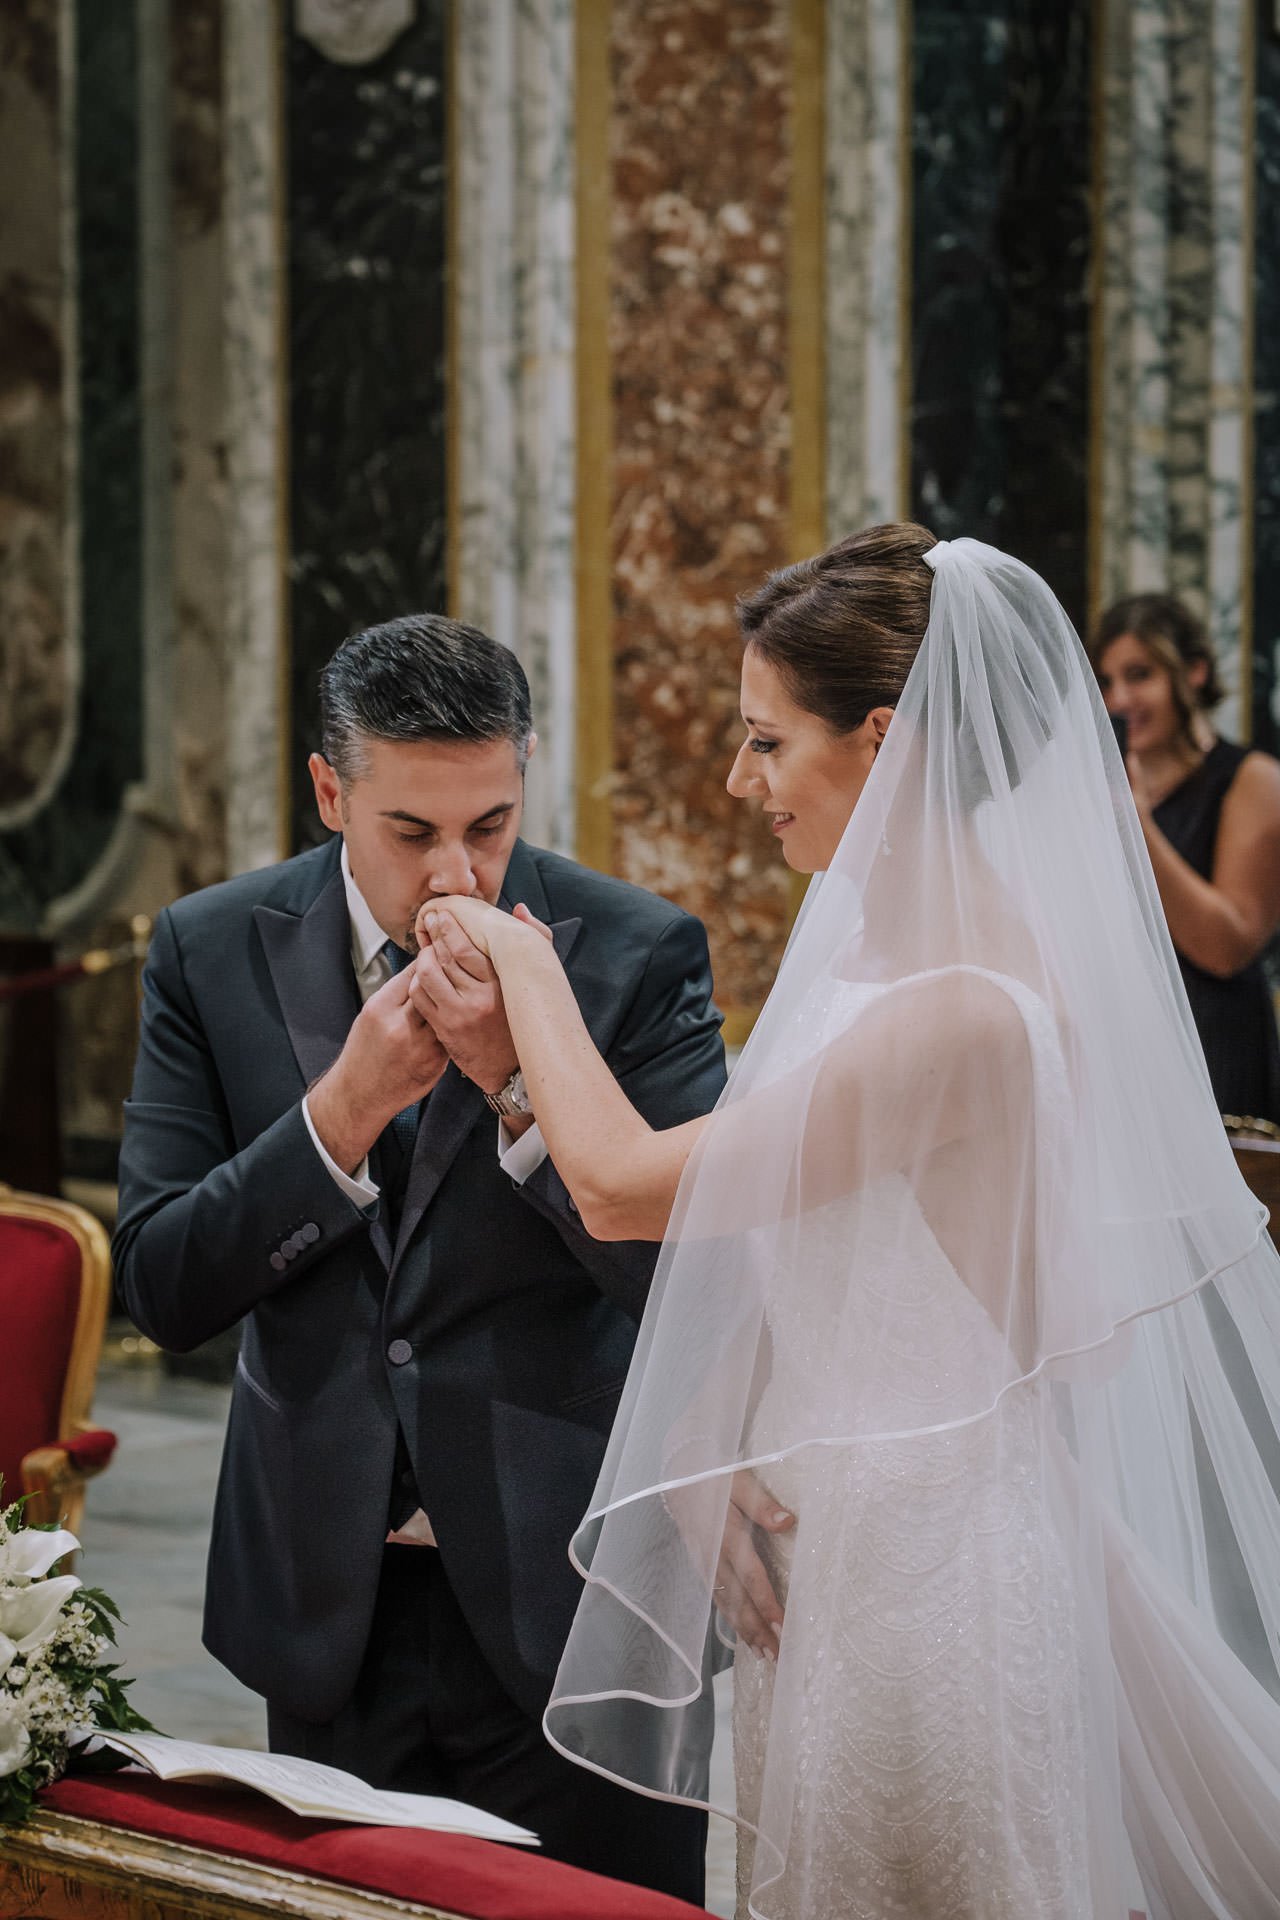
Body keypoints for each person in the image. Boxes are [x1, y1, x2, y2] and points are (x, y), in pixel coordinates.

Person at [420, 529, 1280, 1919]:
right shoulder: (875, 947)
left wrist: (522, 960)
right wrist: (710, 1427)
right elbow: (847, 1250)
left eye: (767, 742)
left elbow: (623, 1184)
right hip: (826, 1557)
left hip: (933, 1585)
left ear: (882, 740)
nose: (737, 779)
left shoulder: (964, 1010)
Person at [111, 615, 726, 1902]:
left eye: (489, 825)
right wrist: (339, 1113)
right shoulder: (209, 947)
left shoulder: (635, 951)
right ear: (331, 791)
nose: (458, 874)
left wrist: (516, 1089)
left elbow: (697, 1289)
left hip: (573, 1602)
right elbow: (162, 1287)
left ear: (525, 772)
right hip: (328, 1601)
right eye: (412, 831)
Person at [1091, 592, 1280, 1124]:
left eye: (1140, 674)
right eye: (1105, 681)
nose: (1119, 699)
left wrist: (1137, 823)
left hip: (1215, 1052)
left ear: (1195, 672)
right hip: (1127, 1056)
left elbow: (1226, 948)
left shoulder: (1252, 780)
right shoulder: (1099, 789)